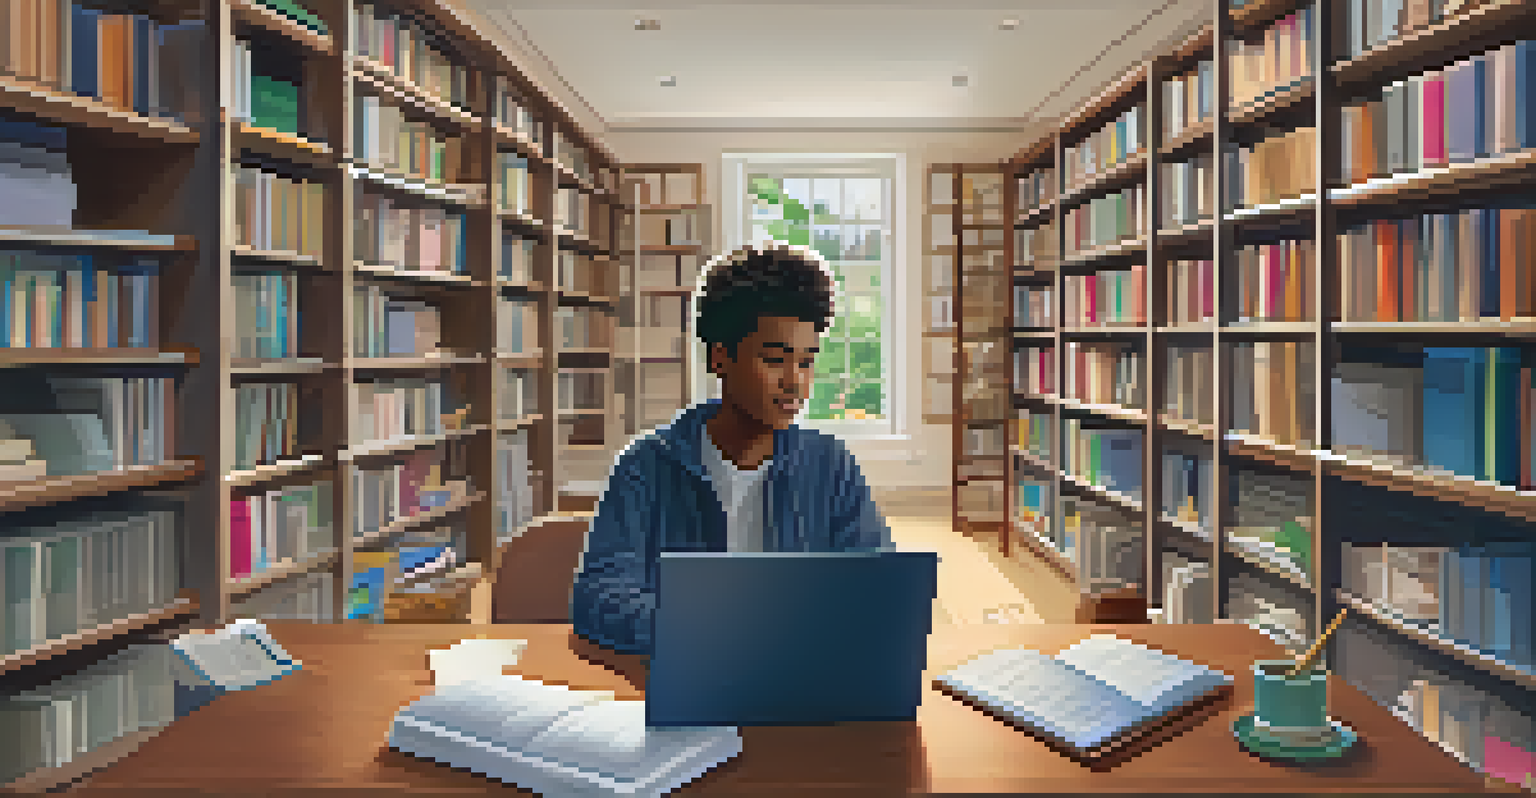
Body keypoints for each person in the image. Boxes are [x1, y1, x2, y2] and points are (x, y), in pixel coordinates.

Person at [570, 242, 894, 656]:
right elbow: (598, 597)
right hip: (682, 683)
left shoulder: (831, 467)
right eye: (775, 360)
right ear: (720, 358)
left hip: (802, 682)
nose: (795, 382)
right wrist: (712, 632)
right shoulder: (646, 467)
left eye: (807, 361)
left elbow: (878, 589)